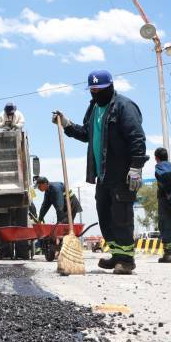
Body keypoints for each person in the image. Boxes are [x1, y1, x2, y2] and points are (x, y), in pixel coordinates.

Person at [54, 69, 147, 274]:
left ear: (110, 87)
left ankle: (126, 260)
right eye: (92, 90)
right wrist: (67, 125)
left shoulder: (124, 106)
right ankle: (116, 255)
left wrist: (136, 167)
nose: (95, 93)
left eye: (99, 89)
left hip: (122, 173)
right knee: (105, 215)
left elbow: (137, 138)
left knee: (121, 216)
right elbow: (87, 134)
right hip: (102, 174)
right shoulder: (94, 108)